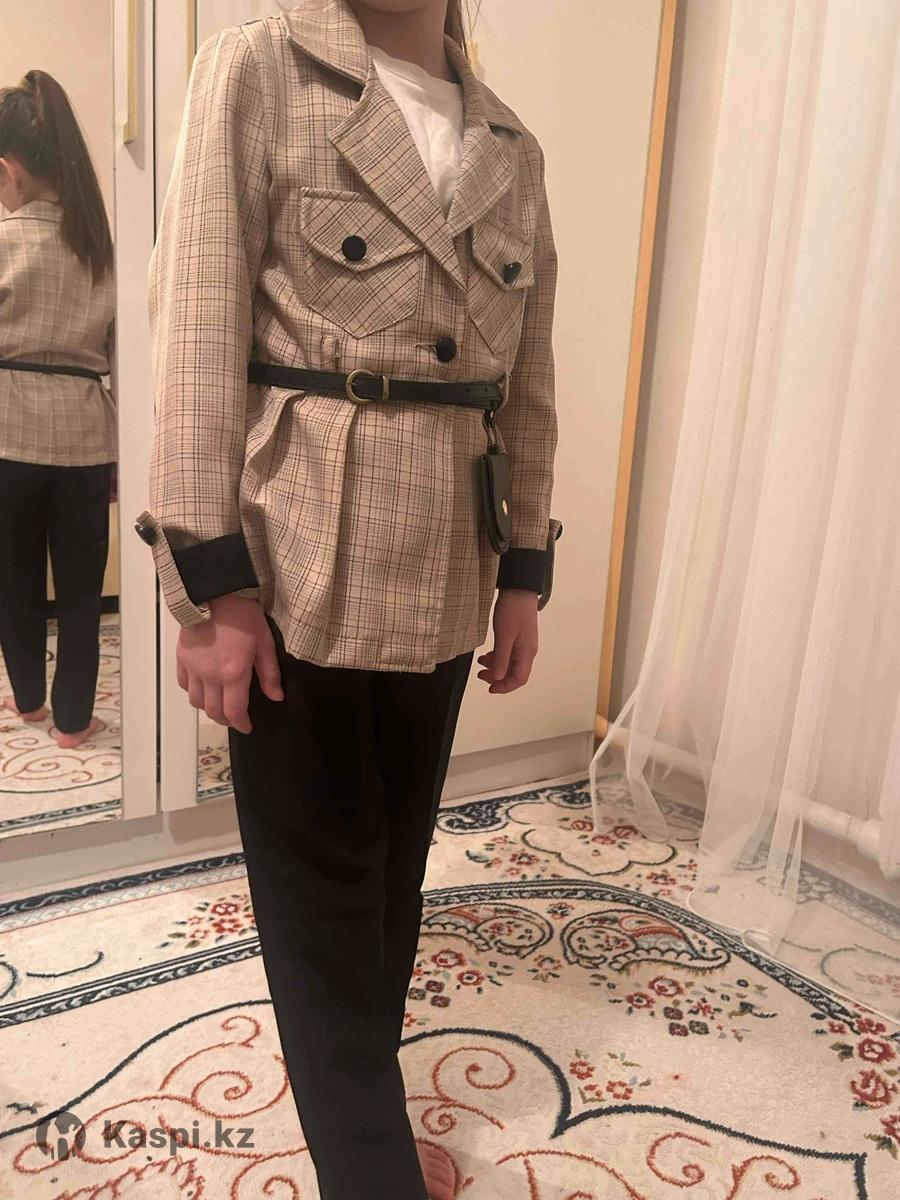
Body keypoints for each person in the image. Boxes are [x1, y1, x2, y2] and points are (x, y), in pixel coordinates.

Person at [135, 1, 562, 1196]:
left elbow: (528, 383)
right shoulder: (261, 68)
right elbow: (197, 336)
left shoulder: (512, 146)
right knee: (319, 888)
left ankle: (357, 1095)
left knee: (390, 875)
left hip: (450, 566)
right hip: (298, 557)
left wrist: (525, 570)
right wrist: (210, 585)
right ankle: (368, 1163)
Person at [0, 69, 117, 750]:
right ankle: (74, 721)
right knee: (79, 593)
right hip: (84, 437)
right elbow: (124, 359)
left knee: (12, 581)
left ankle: (28, 702)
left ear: (7, 172)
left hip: (6, 436)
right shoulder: (98, 248)